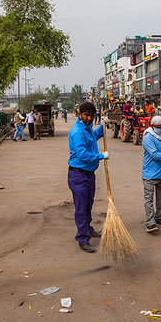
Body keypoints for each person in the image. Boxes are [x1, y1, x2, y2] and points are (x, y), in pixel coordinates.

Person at [68, 101, 109, 253]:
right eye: (86, 115)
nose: (89, 118)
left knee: (88, 205)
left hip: (88, 175)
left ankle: (88, 228)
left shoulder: (87, 128)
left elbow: (94, 136)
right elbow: (82, 154)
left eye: (92, 116)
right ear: (79, 114)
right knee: (81, 208)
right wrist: (100, 156)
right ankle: (83, 239)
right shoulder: (77, 131)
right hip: (78, 175)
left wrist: (102, 126)